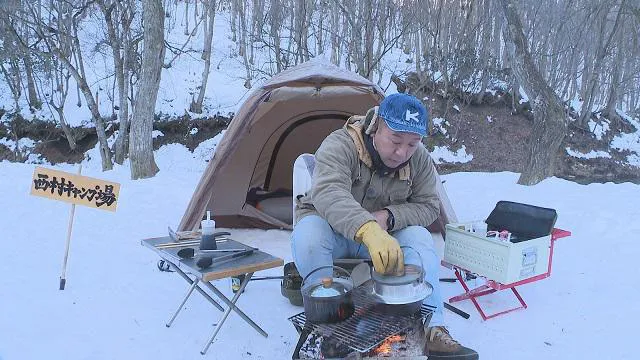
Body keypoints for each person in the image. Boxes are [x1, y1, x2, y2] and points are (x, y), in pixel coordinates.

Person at [291, 93, 478, 360]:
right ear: (377, 125)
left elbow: (428, 206)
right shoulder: (341, 144)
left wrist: (389, 218)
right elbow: (329, 192)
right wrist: (367, 228)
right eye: (395, 140)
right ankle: (327, 328)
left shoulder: (419, 159)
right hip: (333, 231)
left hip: (385, 238)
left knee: (419, 237)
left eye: (413, 144)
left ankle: (432, 328)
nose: (402, 152)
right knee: (308, 236)